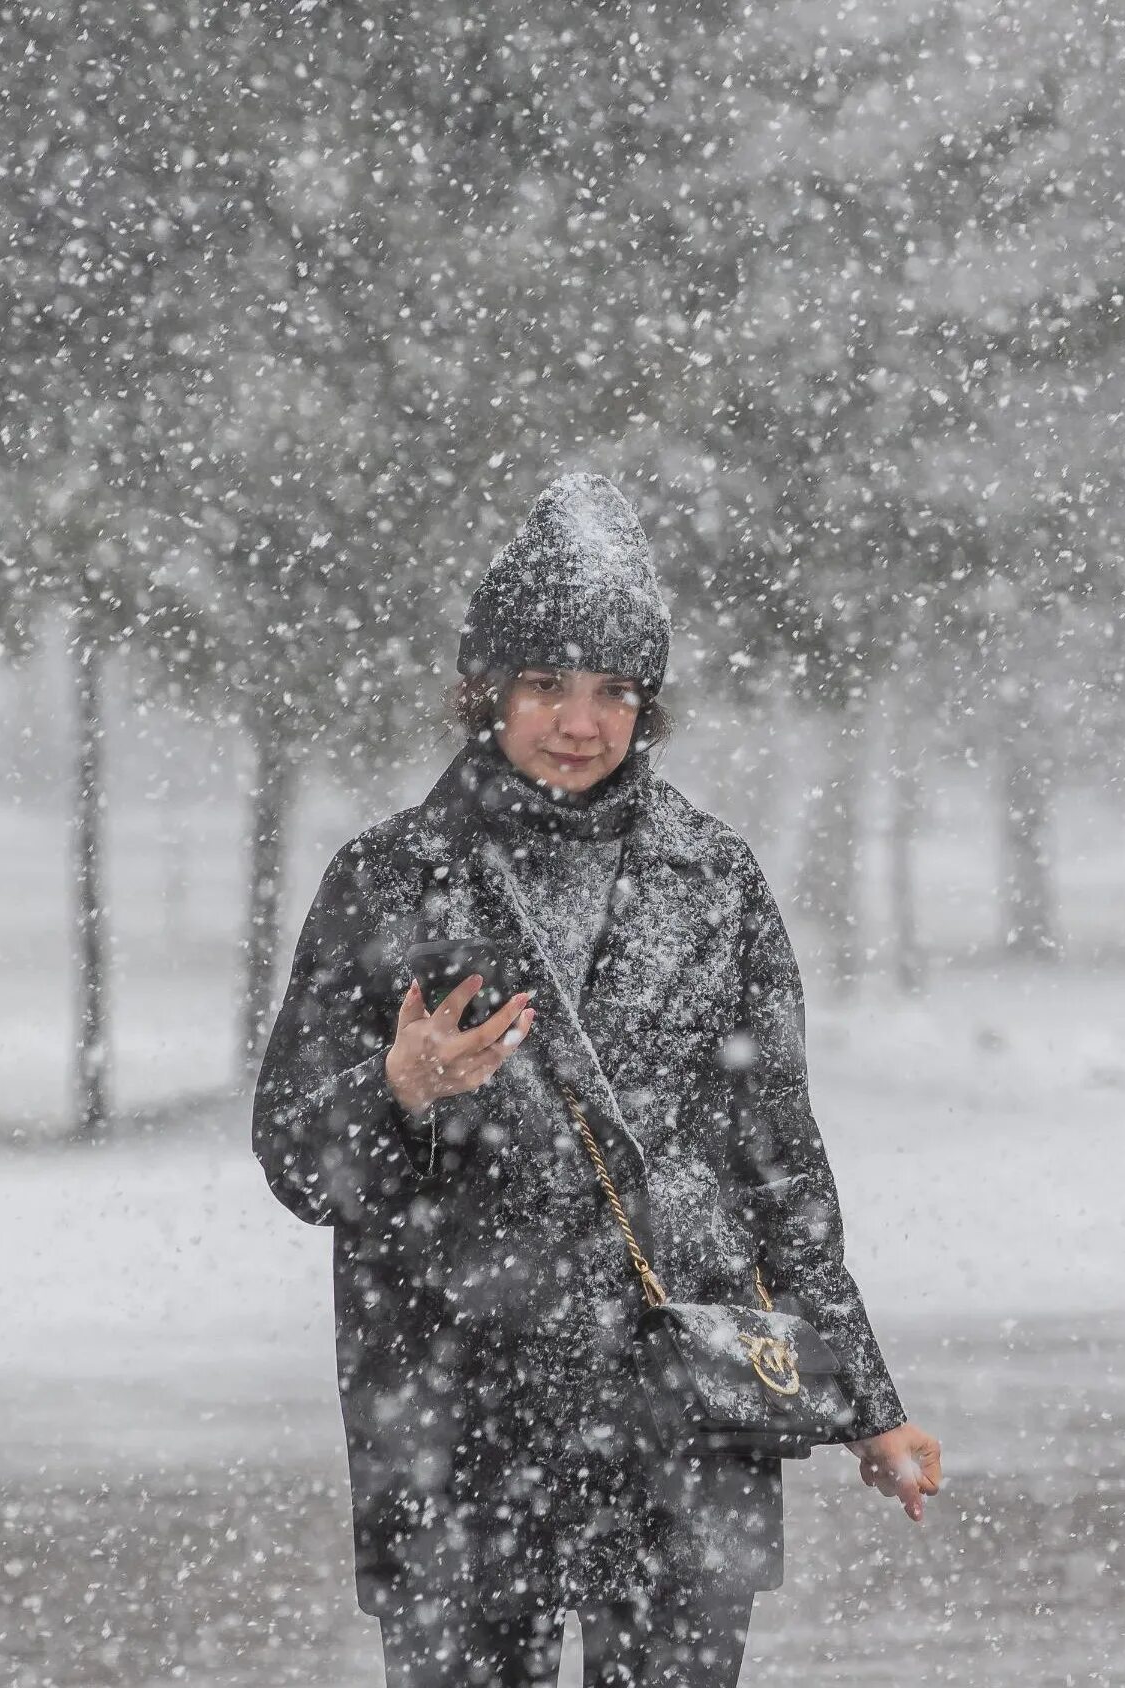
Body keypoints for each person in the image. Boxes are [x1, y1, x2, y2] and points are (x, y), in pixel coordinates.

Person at [252, 470, 941, 1688]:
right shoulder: (395, 878)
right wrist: (400, 1086)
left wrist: (866, 1400)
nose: (581, 720)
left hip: (679, 1405)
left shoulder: (712, 879)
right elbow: (295, 1153)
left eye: (614, 690)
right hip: (459, 1408)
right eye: (546, 684)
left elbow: (779, 1164)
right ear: (489, 692)